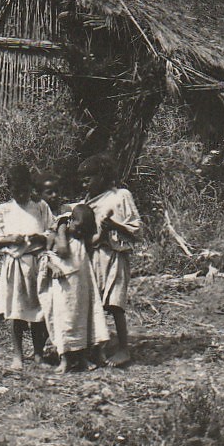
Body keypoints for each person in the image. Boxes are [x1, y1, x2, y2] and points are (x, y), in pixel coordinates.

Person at [0, 164, 53, 368]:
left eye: (25, 189)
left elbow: (53, 230)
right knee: (16, 311)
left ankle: (39, 354)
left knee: (39, 311)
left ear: (30, 187)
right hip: (15, 265)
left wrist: (40, 236)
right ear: (10, 189)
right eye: (17, 190)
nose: (22, 194)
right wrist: (10, 239)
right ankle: (18, 356)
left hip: (37, 263)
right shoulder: (4, 210)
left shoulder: (40, 206)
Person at [81, 156, 142, 368]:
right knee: (95, 303)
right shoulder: (88, 201)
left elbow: (136, 230)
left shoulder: (120, 196)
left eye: (89, 178)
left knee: (115, 304)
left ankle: (124, 348)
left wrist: (114, 225)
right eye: (83, 179)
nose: (85, 183)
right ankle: (97, 347)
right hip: (95, 257)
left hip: (115, 256)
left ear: (102, 176)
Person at [38, 201, 103, 372]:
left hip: (79, 288)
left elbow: (95, 238)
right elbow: (44, 255)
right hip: (62, 287)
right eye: (78, 227)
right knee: (63, 322)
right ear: (70, 221)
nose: (80, 232)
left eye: (84, 230)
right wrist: (54, 267)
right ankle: (64, 360)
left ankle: (82, 359)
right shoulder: (56, 236)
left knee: (81, 321)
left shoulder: (81, 239)